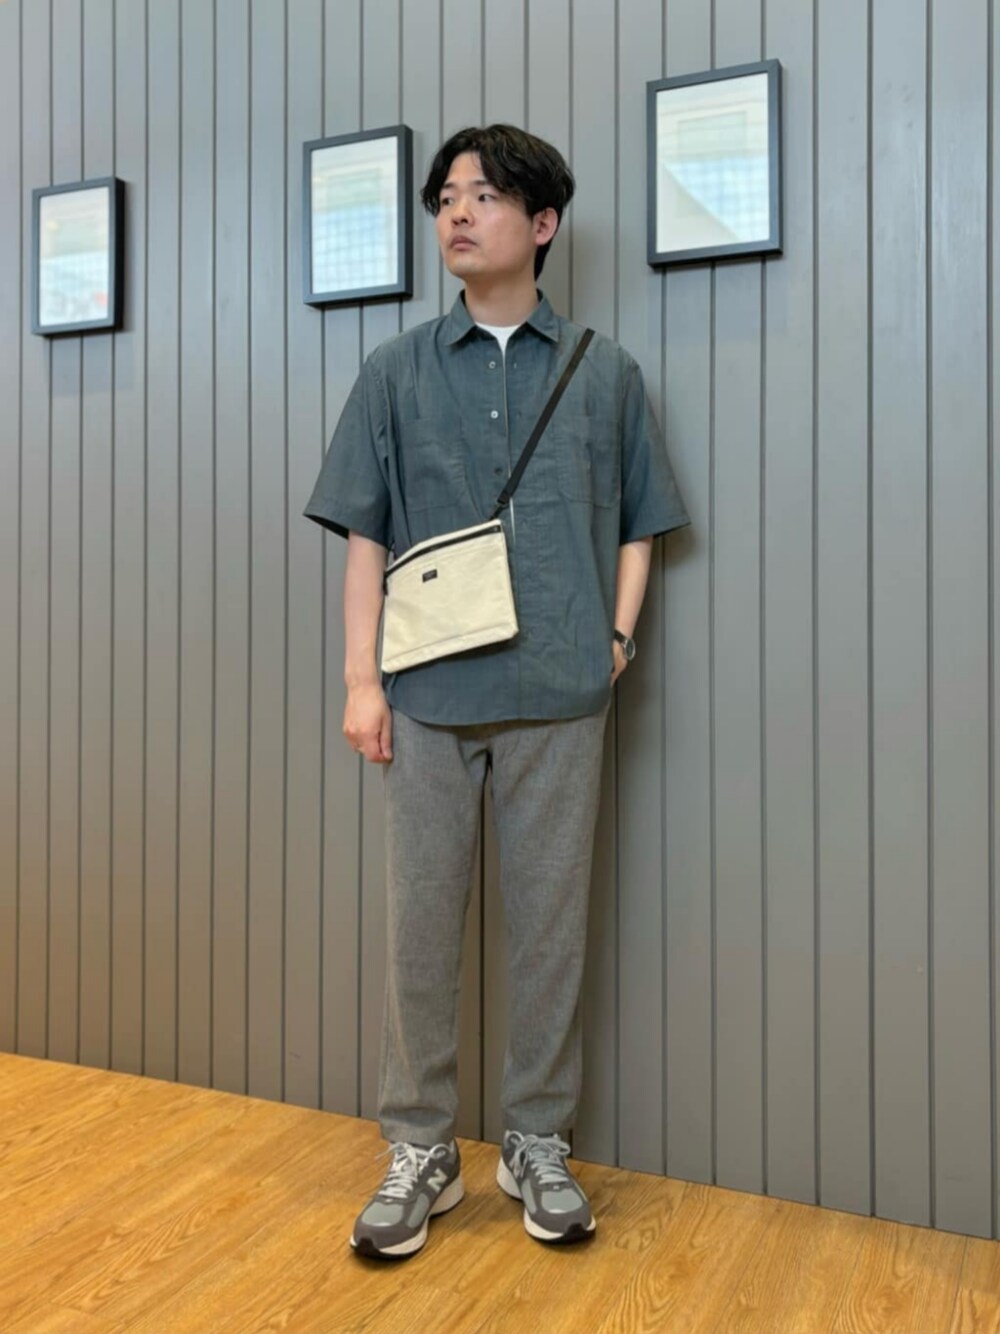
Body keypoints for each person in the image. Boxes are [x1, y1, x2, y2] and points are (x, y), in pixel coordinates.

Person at [304, 123, 690, 1260]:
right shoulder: (395, 371)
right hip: (425, 695)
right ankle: (419, 1147)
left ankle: (536, 1140)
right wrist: (360, 681)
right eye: (445, 199)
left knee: (550, 932)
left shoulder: (606, 372)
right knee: (419, 928)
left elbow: (640, 524)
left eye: (483, 195)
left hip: (561, 694)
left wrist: (614, 637)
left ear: (543, 221)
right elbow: (366, 537)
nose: (458, 213)